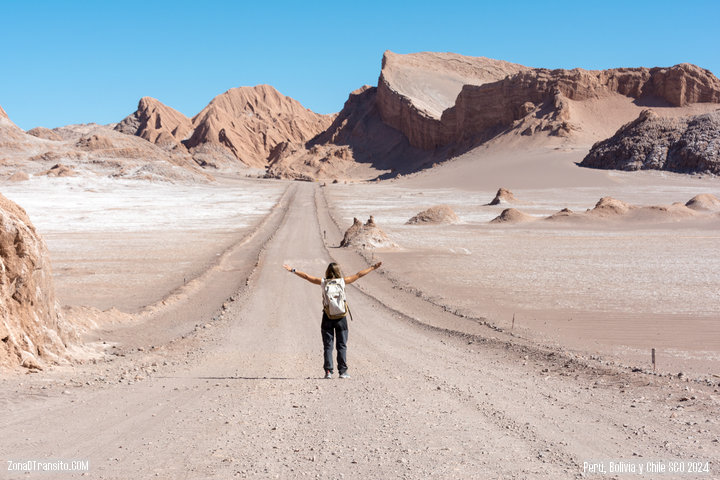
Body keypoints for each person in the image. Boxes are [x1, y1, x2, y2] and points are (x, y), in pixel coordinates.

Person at [283, 261, 382, 379]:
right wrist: (372, 267)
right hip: (341, 318)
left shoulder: (323, 282)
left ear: (328, 271)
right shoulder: (343, 281)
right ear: (338, 271)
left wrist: (293, 270)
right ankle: (343, 372)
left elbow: (307, 277)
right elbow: (359, 274)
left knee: (328, 346)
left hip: (327, 317)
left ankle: (328, 372)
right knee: (342, 345)